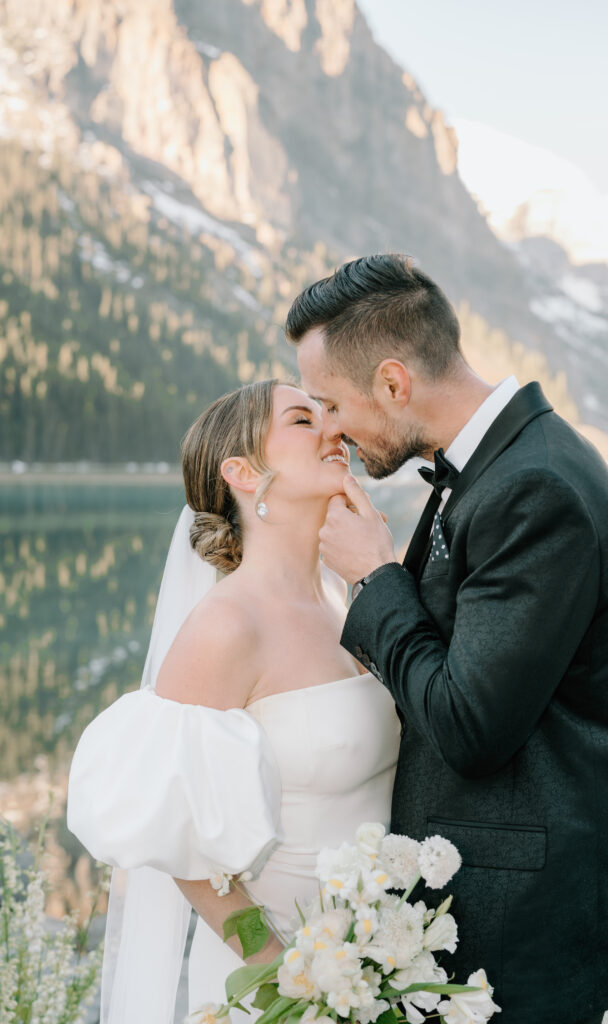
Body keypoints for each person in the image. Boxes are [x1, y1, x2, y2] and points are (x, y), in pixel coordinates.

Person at [288, 253, 608, 1024]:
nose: (329, 429)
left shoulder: (536, 488)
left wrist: (372, 579)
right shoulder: (495, 467)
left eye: (330, 404)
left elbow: (469, 726)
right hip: (501, 908)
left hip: (522, 926)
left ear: (393, 383)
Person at [67, 379, 401, 1024]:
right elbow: (178, 839)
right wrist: (278, 968)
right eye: (304, 419)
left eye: (328, 413)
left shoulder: (346, 594)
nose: (335, 429)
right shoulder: (227, 626)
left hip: (381, 962)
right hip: (284, 986)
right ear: (245, 473)